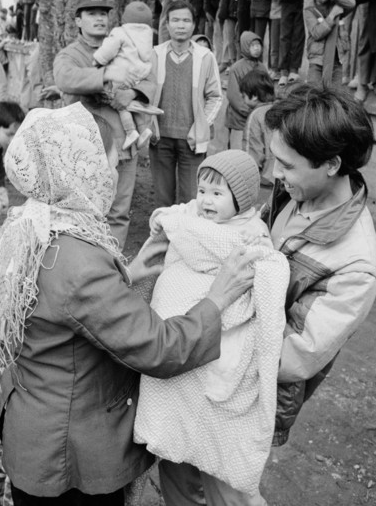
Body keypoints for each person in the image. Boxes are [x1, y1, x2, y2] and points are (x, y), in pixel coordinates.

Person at [0, 102, 260, 505]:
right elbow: (160, 347)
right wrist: (218, 298)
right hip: (69, 451)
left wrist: (127, 272)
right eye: (105, 164)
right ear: (76, 170)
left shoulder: (31, 222)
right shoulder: (77, 260)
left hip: (32, 421)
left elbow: (59, 305)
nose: (111, 175)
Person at [135, 150, 289, 504]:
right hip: (180, 331)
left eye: (217, 194)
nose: (205, 200)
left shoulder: (250, 233)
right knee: (174, 448)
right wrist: (165, 219)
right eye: (202, 190)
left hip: (212, 339)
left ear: (242, 199)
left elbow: (258, 265)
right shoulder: (190, 215)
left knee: (209, 439)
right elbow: (175, 217)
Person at [261, 83, 376, 448]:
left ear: (331, 164)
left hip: (259, 398)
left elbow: (291, 357)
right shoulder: (295, 192)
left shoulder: (356, 266)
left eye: (284, 165)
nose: (272, 173)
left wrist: (200, 334)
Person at [54, 0, 156, 249]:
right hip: (85, 148)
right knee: (83, 211)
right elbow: (65, 78)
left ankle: (112, 267)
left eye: (103, 13)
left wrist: (132, 92)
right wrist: (106, 76)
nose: (99, 18)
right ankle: (82, 268)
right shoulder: (71, 54)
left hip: (124, 146)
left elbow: (151, 80)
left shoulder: (127, 45)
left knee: (119, 212)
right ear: (78, 20)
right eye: (91, 13)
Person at [149, 0, 222, 208]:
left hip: (192, 140)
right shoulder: (155, 54)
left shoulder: (205, 57)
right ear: (167, 24)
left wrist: (200, 125)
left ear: (193, 25)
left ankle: (186, 240)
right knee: (163, 200)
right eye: (175, 20)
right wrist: (149, 125)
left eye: (186, 20)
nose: (180, 25)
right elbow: (143, 93)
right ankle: (162, 239)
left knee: (191, 199)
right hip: (160, 138)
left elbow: (215, 97)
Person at [92, 0, 161, 150]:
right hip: (139, 74)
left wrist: (98, 60)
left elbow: (107, 51)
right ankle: (143, 130)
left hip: (122, 74)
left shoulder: (119, 32)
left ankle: (131, 132)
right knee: (133, 105)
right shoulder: (147, 37)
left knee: (121, 103)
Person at [304, 0, 355, 86]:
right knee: (315, 93)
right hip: (317, 60)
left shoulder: (335, 4)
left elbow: (351, 4)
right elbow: (316, 33)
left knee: (335, 94)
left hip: (335, 59)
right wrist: (332, 16)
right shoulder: (309, 10)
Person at [225, 31, 268, 149]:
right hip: (239, 119)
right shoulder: (236, 68)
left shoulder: (262, 67)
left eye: (258, 45)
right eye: (252, 45)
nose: (256, 48)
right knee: (237, 150)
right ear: (245, 47)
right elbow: (233, 96)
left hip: (256, 117)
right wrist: (248, 112)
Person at [240, 70, 275, 204]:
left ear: (254, 96)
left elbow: (253, 155)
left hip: (263, 183)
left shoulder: (255, 116)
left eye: (243, 95)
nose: (243, 99)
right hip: (279, 179)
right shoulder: (279, 110)